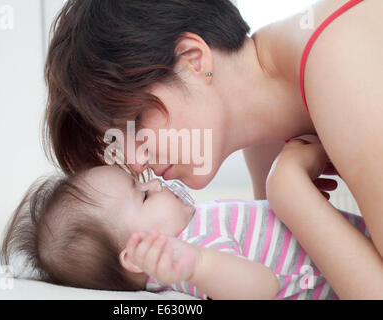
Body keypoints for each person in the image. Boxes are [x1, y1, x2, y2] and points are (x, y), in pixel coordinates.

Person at [42, 0, 383, 297]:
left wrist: (290, 193)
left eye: (135, 120)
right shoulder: (265, 138)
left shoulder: (339, 62)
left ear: (193, 59)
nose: (133, 161)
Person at [0, 143, 370, 299]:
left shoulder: (192, 231)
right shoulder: (189, 258)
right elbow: (261, 288)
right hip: (358, 271)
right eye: (143, 194)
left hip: (355, 242)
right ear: (136, 254)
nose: (156, 181)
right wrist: (198, 264)